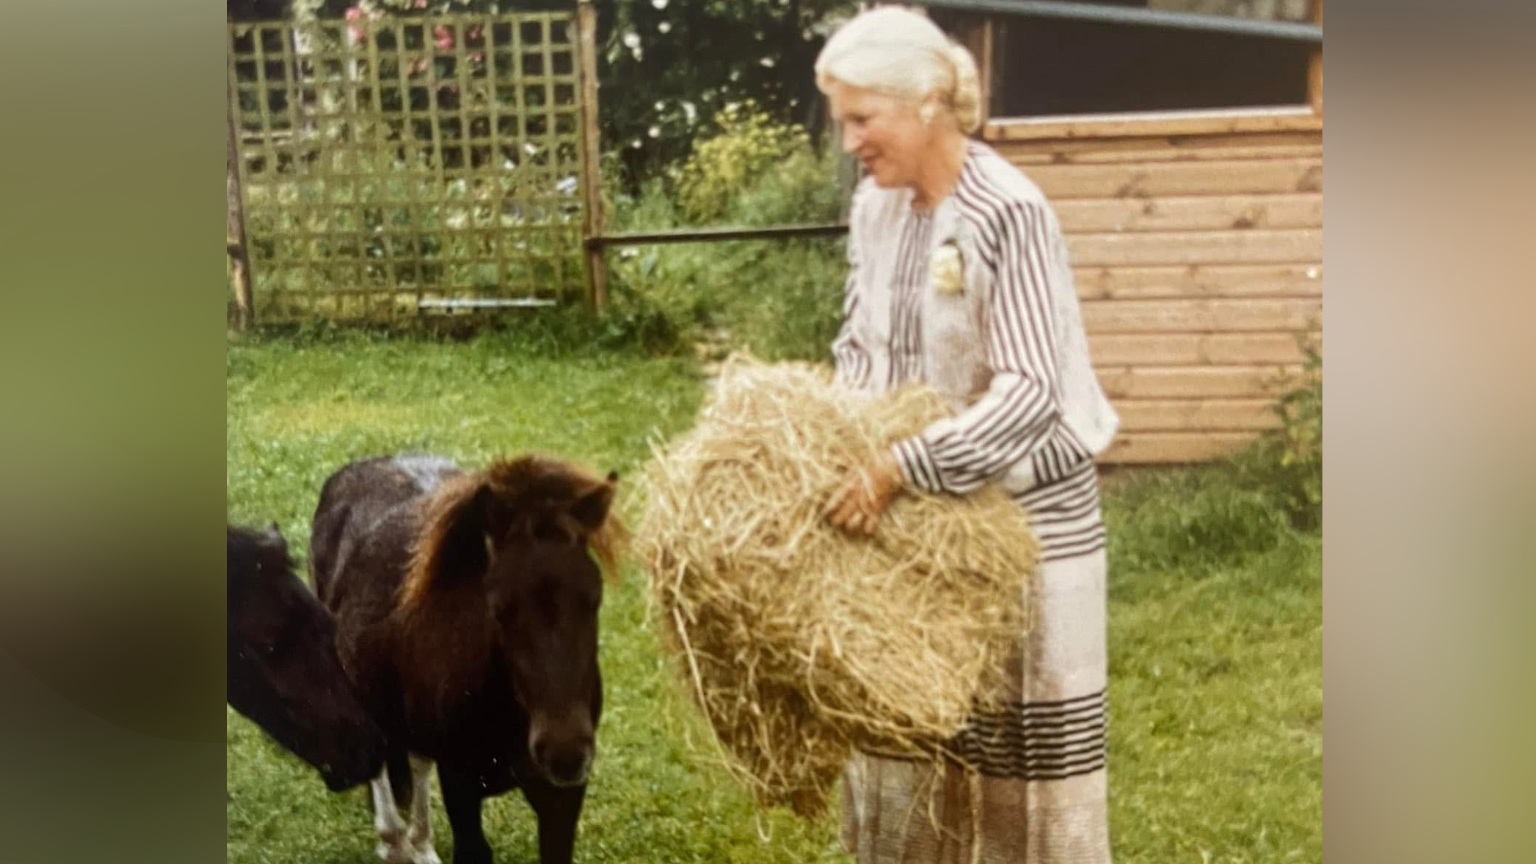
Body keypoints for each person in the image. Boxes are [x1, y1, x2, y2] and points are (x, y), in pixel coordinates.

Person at [817, 7, 1119, 863]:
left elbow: (1031, 393)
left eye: (860, 119)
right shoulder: (876, 212)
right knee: (910, 751)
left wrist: (899, 466)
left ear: (923, 106)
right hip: (914, 530)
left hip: (1023, 532)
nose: (850, 144)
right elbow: (858, 346)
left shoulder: (1006, 211)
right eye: (843, 120)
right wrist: (840, 440)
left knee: (1021, 783)